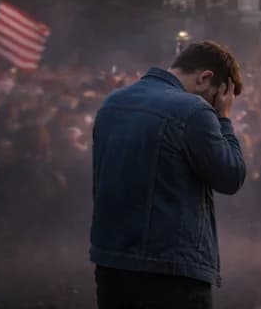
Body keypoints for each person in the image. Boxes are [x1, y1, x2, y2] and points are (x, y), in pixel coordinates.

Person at [90, 40, 247, 309]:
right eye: (214, 97)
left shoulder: (112, 103)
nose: (212, 104)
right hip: (171, 271)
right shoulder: (194, 111)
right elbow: (231, 176)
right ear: (205, 78)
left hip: (111, 264)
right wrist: (222, 117)